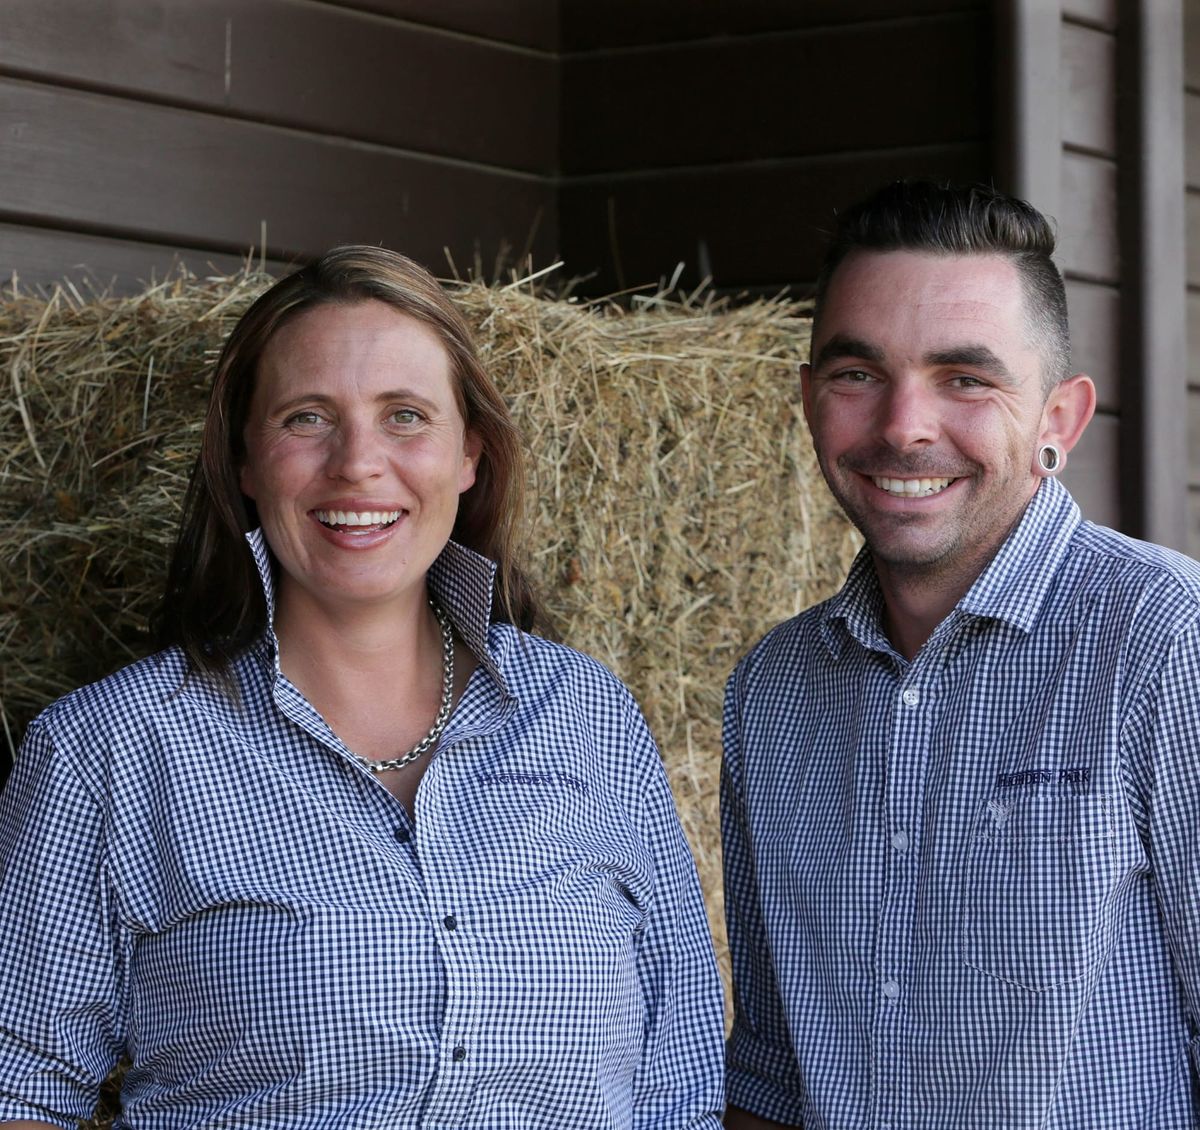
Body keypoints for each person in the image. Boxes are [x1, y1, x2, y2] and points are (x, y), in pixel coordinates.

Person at [0, 247, 725, 1129]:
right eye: (308, 418)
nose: (357, 464)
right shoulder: (107, 750)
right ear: (244, 463)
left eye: (406, 416)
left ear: (470, 455)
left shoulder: (585, 714)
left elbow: (680, 1070)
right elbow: (20, 1088)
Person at [721, 180, 1200, 1128]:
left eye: (966, 378)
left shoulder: (1165, 641)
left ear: (1058, 421)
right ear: (810, 399)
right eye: (858, 373)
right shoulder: (771, 690)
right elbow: (771, 1071)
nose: (904, 426)